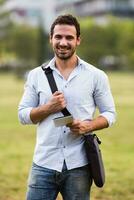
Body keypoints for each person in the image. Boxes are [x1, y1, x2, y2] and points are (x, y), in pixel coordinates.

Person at [18, 14, 116, 200]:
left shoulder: (96, 76)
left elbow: (110, 113)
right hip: (43, 163)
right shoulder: (35, 76)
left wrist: (90, 126)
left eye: (69, 37)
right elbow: (22, 115)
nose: (63, 42)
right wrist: (48, 107)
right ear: (51, 39)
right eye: (58, 37)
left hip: (79, 165)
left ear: (78, 40)